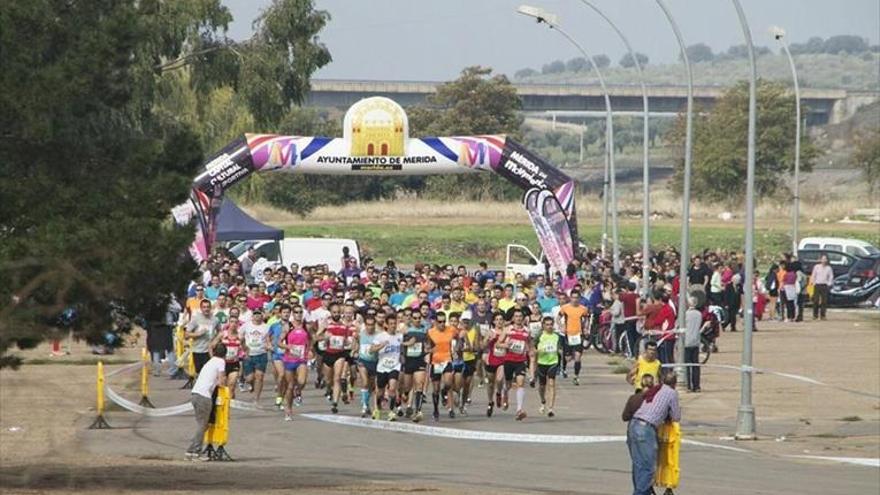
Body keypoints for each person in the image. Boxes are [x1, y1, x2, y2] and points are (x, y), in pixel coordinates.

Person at [628, 371, 681, 495]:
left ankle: (640, 491)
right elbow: (676, 416)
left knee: (638, 465)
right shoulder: (672, 393)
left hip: (633, 424)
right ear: (674, 384)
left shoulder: (657, 389)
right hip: (646, 428)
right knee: (647, 468)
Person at [186, 342, 226, 460]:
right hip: (204, 396)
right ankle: (194, 451)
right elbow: (221, 380)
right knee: (202, 425)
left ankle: (192, 449)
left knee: (202, 424)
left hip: (195, 393)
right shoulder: (220, 362)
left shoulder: (211, 361)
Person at [498, 308, 533, 421]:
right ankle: (504, 393)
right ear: (513, 318)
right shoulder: (508, 329)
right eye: (516, 316)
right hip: (509, 360)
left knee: (520, 383)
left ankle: (519, 409)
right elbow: (498, 344)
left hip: (520, 360)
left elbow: (529, 345)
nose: (518, 319)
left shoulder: (527, 331)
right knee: (508, 385)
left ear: (523, 319)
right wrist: (506, 346)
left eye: (520, 317)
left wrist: (531, 353)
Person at [279, 307, 310, 421]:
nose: (298, 314)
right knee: (290, 386)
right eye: (296, 312)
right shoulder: (288, 326)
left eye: (300, 312)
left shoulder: (306, 326)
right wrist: (288, 346)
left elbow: (311, 339)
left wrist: (310, 350)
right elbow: (279, 342)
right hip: (289, 359)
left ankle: (299, 390)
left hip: (301, 359)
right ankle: (288, 410)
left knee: (302, 381)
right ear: (293, 314)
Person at [372, 314, 403, 421]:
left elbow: (404, 347)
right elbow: (372, 349)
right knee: (380, 392)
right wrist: (381, 345)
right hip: (382, 367)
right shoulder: (380, 336)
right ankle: (377, 409)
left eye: (395, 324)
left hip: (395, 366)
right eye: (391, 324)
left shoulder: (400, 336)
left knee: (393, 388)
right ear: (386, 324)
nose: (393, 326)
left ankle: (391, 412)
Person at [427, 312, 455, 421]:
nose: (442, 324)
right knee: (435, 388)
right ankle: (435, 410)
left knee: (448, 382)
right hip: (435, 361)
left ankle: (445, 392)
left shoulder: (451, 330)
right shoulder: (430, 332)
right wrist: (428, 351)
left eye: (444, 321)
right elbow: (427, 346)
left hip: (447, 359)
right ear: (436, 322)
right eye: (440, 322)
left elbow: (459, 336)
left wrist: (457, 347)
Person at [402, 311, 428, 422]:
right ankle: (405, 394)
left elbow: (428, 344)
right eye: (415, 318)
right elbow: (399, 344)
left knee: (419, 384)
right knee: (407, 387)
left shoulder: (425, 330)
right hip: (408, 361)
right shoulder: (406, 330)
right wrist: (408, 344)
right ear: (411, 319)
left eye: (419, 318)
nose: (417, 320)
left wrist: (427, 351)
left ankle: (418, 411)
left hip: (420, 360)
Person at [558, 291, 589, 386]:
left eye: (577, 298)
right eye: (573, 297)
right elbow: (558, 318)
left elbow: (587, 319)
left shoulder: (583, 309)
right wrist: (561, 326)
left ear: (579, 298)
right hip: (568, 334)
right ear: (570, 298)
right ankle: (564, 366)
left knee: (578, 357)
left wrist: (586, 328)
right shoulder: (565, 308)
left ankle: (576, 376)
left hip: (578, 335)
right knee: (568, 358)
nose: (575, 299)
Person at [241, 308, 271, 403]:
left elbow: (268, 339)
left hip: (261, 354)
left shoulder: (266, 327)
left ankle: (256, 398)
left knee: (260, 376)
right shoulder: (246, 326)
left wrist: (268, 345)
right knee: (249, 378)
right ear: (252, 316)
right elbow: (240, 336)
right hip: (249, 354)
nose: (257, 316)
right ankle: (252, 385)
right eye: (255, 314)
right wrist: (242, 347)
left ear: (262, 316)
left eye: (259, 314)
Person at [534, 316, 562, 417]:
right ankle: (543, 400)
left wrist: (560, 351)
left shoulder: (557, 336)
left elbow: (560, 348)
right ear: (543, 326)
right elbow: (533, 349)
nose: (549, 326)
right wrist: (538, 351)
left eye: (551, 324)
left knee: (551, 384)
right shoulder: (539, 336)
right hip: (541, 362)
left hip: (553, 362)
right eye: (547, 325)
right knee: (542, 386)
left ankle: (550, 408)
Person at [185, 299, 218, 373]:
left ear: (210, 308)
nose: (206, 309)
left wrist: (215, 341)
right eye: (204, 307)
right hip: (198, 350)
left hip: (210, 351)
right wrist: (197, 334)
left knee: (210, 373)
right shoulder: (196, 319)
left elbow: (220, 332)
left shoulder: (215, 320)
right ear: (201, 308)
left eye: (208, 307)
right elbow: (186, 334)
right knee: (199, 373)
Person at [683, 297, 704, 393]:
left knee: (687, 365)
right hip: (696, 340)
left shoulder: (685, 314)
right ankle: (697, 385)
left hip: (687, 341)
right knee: (695, 364)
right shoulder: (699, 314)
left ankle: (688, 385)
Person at [811, 254, 833, 320]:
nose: (824, 260)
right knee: (816, 301)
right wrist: (813, 282)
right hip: (817, 285)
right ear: (820, 259)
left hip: (824, 285)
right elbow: (813, 275)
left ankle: (823, 315)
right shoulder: (816, 267)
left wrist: (829, 284)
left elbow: (831, 277)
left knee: (824, 301)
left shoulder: (829, 268)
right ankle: (815, 315)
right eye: (822, 259)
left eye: (825, 259)